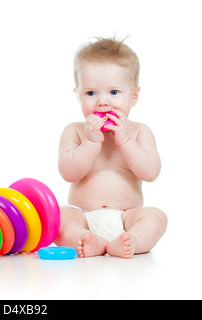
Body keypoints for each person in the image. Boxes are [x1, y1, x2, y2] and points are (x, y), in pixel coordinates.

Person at [55, 37, 167, 258]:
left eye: (114, 93)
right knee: (56, 216)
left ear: (134, 95)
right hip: (83, 216)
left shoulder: (139, 132)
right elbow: (68, 173)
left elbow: (151, 172)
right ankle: (86, 240)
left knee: (157, 217)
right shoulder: (75, 131)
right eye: (91, 93)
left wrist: (126, 142)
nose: (103, 102)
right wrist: (90, 142)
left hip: (127, 217)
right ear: (77, 94)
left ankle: (131, 240)